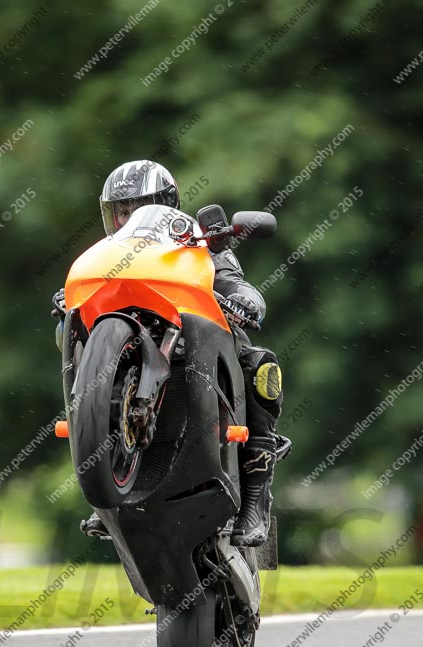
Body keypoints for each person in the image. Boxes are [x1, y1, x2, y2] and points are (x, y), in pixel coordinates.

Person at [53, 161, 283, 547]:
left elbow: (237, 284)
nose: (128, 219)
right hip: (128, 348)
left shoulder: (196, 249)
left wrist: (243, 300)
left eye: (138, 208)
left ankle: (256, 497)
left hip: (197, 352)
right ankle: (105, 467)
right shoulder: (107, 256)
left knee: (261, 365)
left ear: (166, 204)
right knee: (68, 335)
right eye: (120, 211)